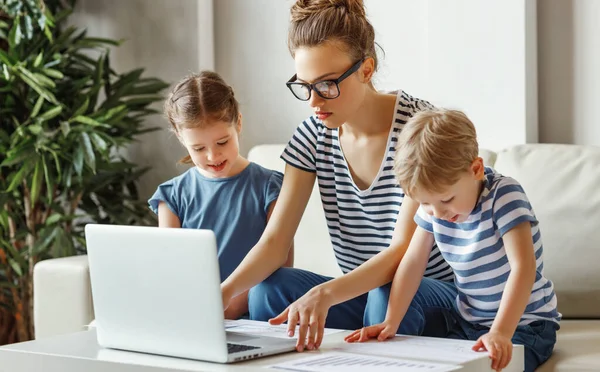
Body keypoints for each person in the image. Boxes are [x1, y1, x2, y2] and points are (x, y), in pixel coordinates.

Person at [221, 0, 458, 352]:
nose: (314, 102)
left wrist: (326, 293)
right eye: (305, 86)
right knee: (269, 291)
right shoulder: (312, 135)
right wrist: (219, 295)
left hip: (428, 293)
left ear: (365, 70)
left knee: (386, 294)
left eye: (327, 84)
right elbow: (274, 244)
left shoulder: (418, 127)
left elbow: (401, 253)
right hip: (363, 292)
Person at [345, 109, 561, 372]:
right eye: (425, 203)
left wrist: (501, 332)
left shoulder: (504, 196)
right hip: (468, 323)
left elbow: (523, 267)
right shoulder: (434, 210)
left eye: (446, 200)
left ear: (476, 170)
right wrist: (392, 321)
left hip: (525, 326)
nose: (438, 213)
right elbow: (413, 261)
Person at [148, 71, 294, 320]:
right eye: (199, 148)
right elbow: (171, 269)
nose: (213, 157)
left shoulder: (270, 187)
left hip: (256, 316)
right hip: (196, 317)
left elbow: (281, 266)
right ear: (179, 135)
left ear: (238, 122)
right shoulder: (172, 197)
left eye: (223, 142)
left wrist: (229, 308)